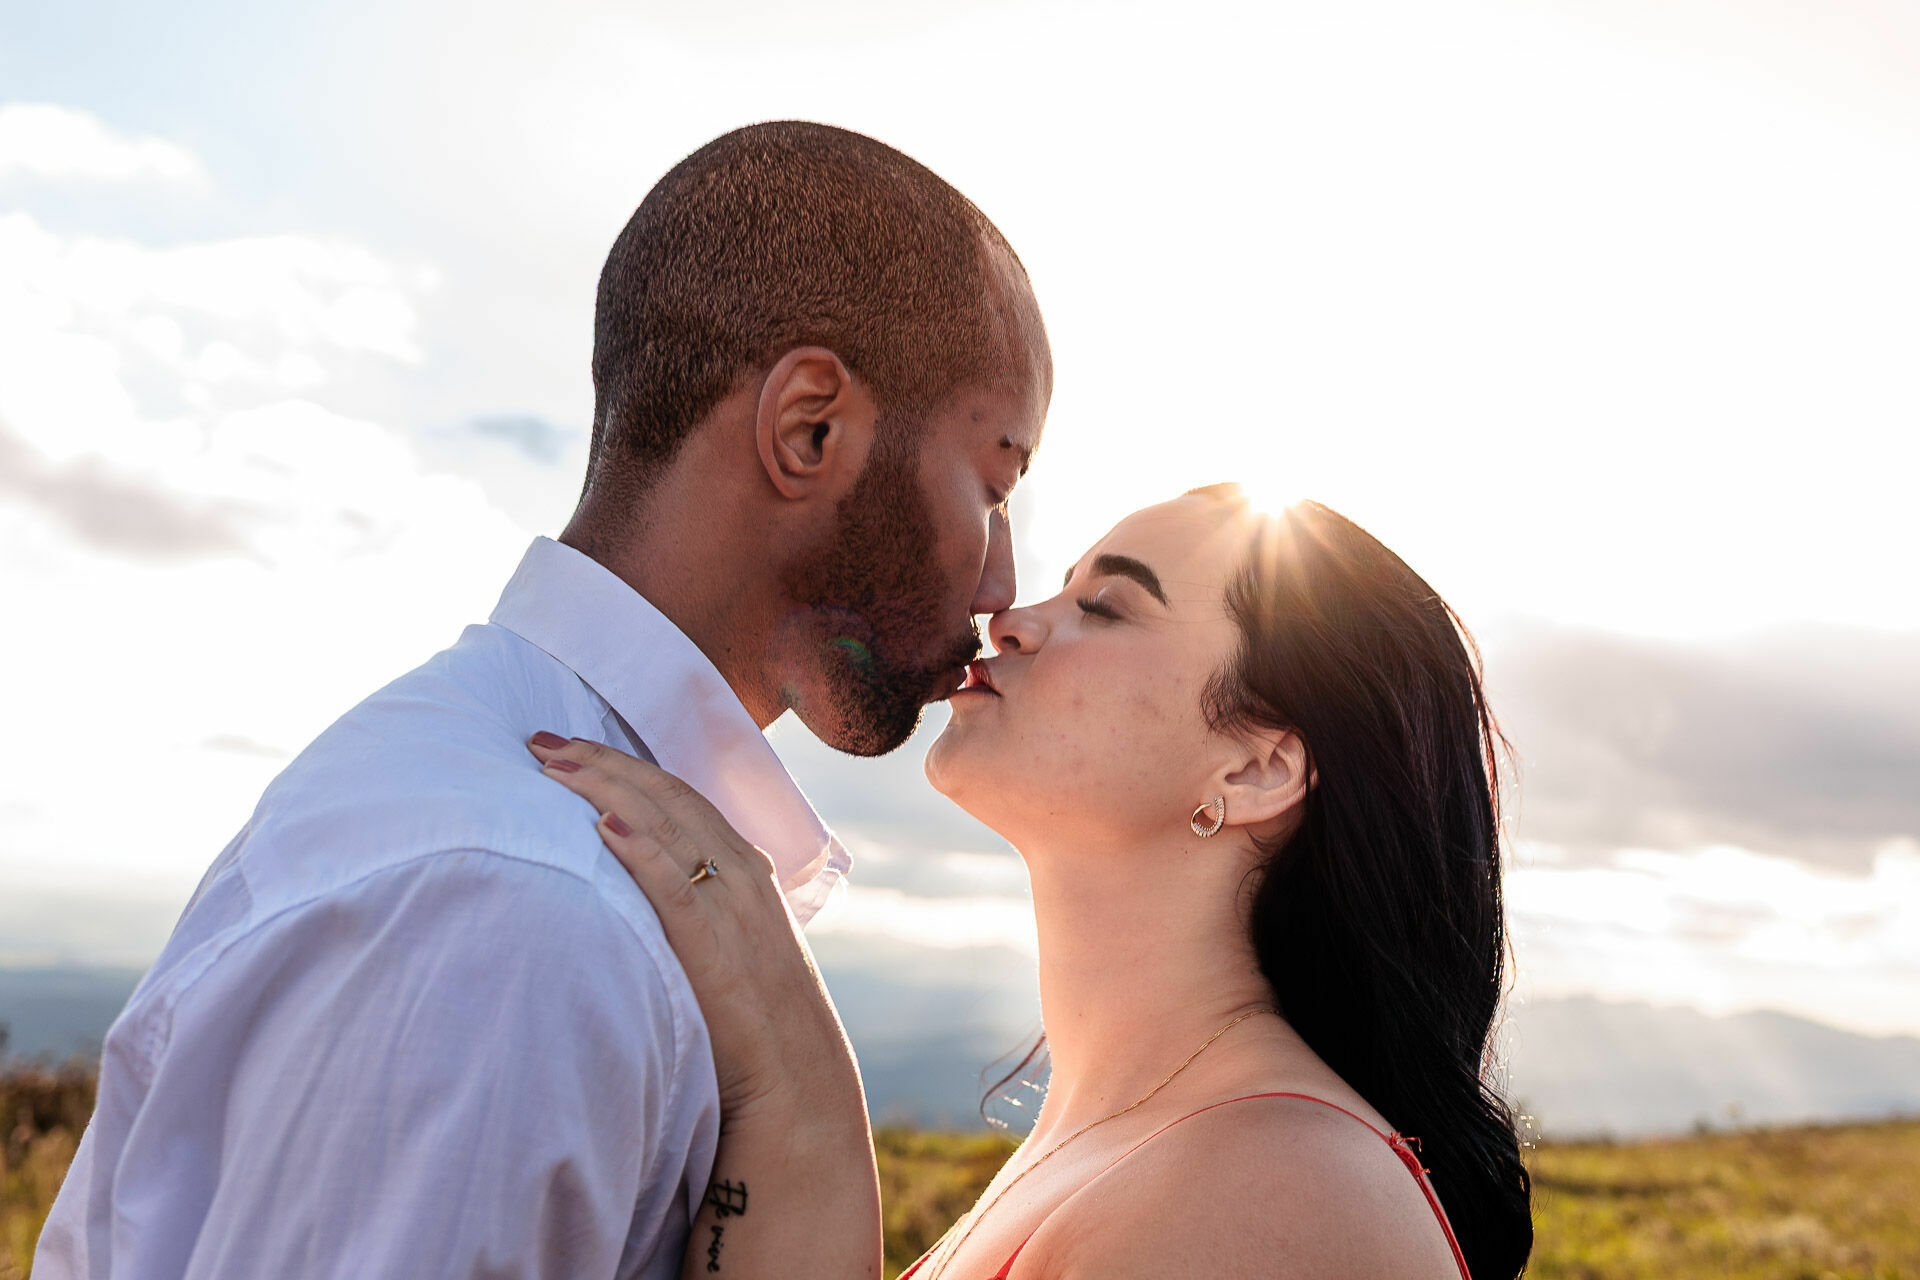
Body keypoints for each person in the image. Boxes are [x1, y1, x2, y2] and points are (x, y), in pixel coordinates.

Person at [34, 121, 1049, 1279]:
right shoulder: (520, 915)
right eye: (996, 482)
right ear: (808, 425)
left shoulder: (522, 850)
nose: (1003, 581)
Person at [529, 486, 1536, 1279]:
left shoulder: (1287, 1188)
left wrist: (798, 1079)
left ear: (1255, 768)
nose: (1009, 618)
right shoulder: (1142, 1136)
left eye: (1106, 604)